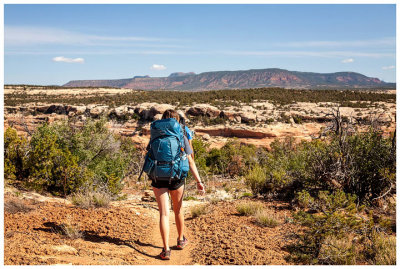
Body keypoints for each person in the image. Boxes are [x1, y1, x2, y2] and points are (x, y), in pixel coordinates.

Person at [151, 109, 205, 260]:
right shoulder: (182, 132)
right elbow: (190, 159)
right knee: (178, 209)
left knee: (163, 213)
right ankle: (180, 240)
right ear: (177, 120)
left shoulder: (156, 131)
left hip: (158, 176)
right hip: (176, 176)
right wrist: (199, 182)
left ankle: (166, 250)